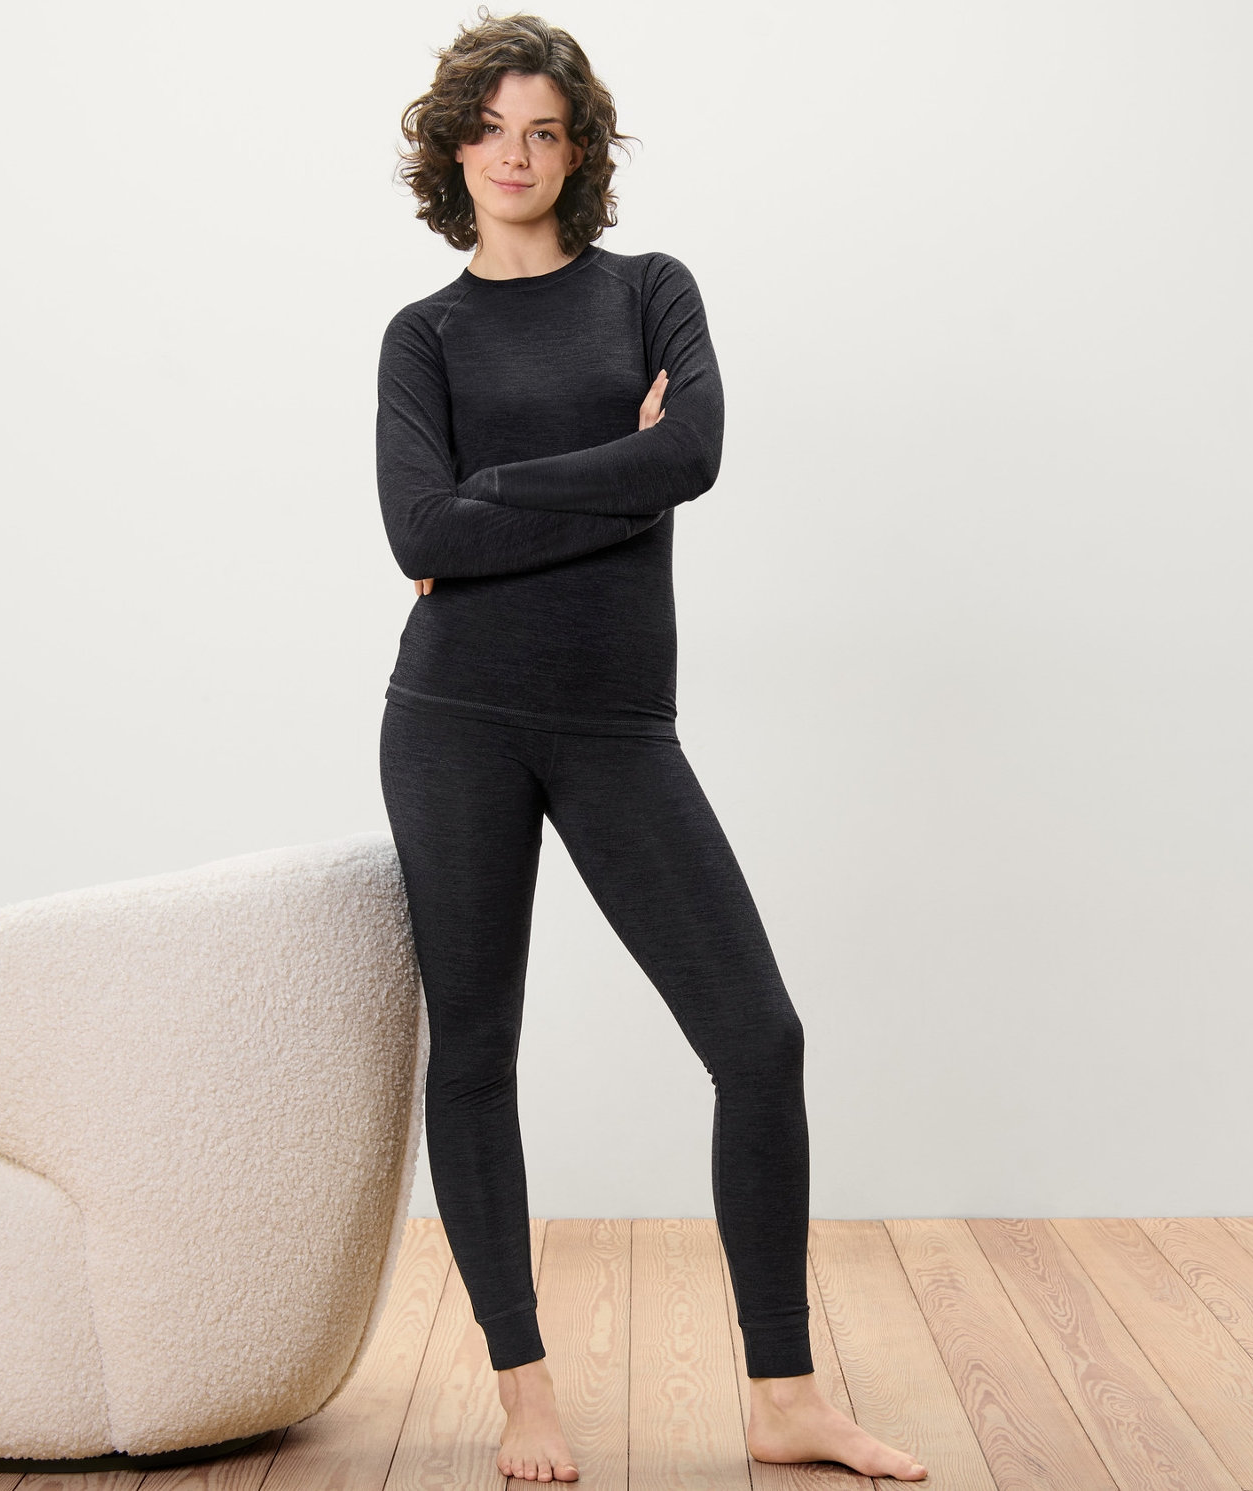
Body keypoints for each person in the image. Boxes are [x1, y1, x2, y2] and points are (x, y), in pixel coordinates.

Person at [374, 9, 928, 1484]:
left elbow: (693, 456)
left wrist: (508, 486)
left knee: (757, 1039)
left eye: (544, 129)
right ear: (452, 147)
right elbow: (413, 534)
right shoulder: (421, 334)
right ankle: (524, 1391)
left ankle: (783, 1394)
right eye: (490, 127)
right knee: (477, 1050)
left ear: (580, 148)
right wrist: (604, 484)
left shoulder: (648, 291)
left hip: (619, 725)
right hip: (452, 721)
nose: (516, 153)